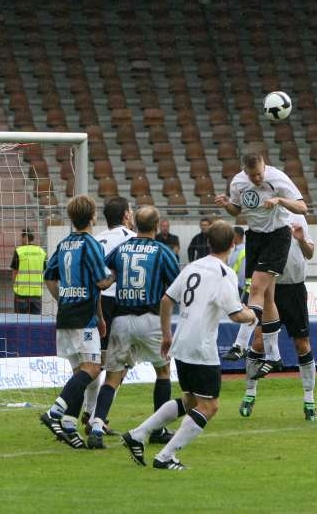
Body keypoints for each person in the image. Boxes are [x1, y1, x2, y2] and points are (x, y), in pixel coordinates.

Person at [120, 221, 255, 470]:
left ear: (208, 242)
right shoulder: (224, 273)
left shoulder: (193, 266)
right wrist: (252, 314)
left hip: (181, 342)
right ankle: (165, 456)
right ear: (232, 243)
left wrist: (166, 335)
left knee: (190, 401)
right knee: (209, 406)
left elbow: (166, 299)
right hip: (201, 347)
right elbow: (237, 315)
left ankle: (138, 434)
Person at [88, 205, 180, 449]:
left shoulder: (122, 248)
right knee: (163, 372)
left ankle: (96, 427)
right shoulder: (162, 251)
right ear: (158, 225)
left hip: (121, 320)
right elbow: (176, 286)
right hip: (150, 319)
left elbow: (105, 276)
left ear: (136, 225)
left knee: (112, 377)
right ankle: (158, 429)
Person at [215, 151, 308, 380]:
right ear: (244, 171)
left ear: (264, 166)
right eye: (252, 175)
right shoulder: (238, 183)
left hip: (277, 236)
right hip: (255, 237)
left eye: (259, 174)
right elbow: (237, 210)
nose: (257, 179)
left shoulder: (278, 178)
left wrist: (280, 200)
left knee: (255, 288)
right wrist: (227, 205)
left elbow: (302, 208)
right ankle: (274, 356)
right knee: (267, 297)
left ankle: (240, 343)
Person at [40, 195, 114, 449]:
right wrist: (116, 274)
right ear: (93, 216)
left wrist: (63, 299)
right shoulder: (91, 244)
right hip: (82, 316)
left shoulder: (64, 244)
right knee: (93, 368)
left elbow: (49, 276)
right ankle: (54, 412)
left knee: (80, 375)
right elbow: (101, 282)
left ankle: (70, 427)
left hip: (67, 314)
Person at [239, 213, 317, 421]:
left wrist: (301, 239)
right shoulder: (262, 216)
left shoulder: (297, 217)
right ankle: (249, 393)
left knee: (302, 344)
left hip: (294, 289)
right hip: (267, 290)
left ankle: (309, 400)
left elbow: (310, 253)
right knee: (258, 343)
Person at [82, 196, 135, 432]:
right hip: (120, 301)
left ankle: (89, 410)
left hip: (96, 299)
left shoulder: (96, 239)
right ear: (126, 215)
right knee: (121, 364)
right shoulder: (133, 239)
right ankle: (98, 416)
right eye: (130, 211)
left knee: (97, 359)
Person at [221, 226, 254, 361]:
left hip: (245, 289)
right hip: (239, 288)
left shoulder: (243, 251)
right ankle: (242, 346)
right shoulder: (235, 251)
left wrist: (240, 289)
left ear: (237, 236)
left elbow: (243, 274)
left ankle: (242, 347)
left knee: (247, 316)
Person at [10, 228, 47, 314]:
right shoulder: (41, 252)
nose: (20, 239)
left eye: (21, 237)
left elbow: (14, 273)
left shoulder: (19, 251)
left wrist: (14, 286)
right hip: (36, 294)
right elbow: (44, 271)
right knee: (36, 321)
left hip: (21, 293)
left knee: (20, 320)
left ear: (25, 237)